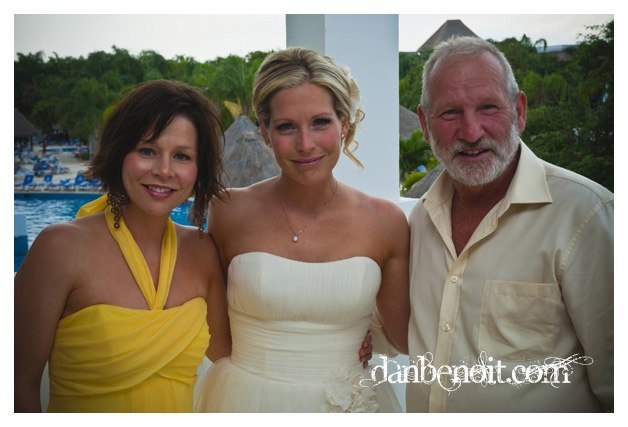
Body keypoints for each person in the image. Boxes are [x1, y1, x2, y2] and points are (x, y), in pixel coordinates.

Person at [401, 36, 613, 412]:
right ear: (424, 123)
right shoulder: (420, 218)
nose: (471, 132)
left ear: (519, 110)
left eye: (488, 107)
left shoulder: (586, 215)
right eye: (450, 113)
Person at [193, 47, 410, 412]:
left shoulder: (385, 222)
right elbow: (211, 322)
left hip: (348, 404)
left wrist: (366, 332)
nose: (305, 144)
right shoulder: (229, 211)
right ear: (265, 132)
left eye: (321, 122)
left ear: (345, 123)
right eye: (286, 127)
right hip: (243, 400)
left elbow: (403, 336)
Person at [14, 80, 231, 412]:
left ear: (198, 169)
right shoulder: (60, 249)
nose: (164, 170)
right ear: (119, 152)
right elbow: (17, 385)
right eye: (147, 151)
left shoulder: (202, 251)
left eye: (182, 156)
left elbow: (229, 356)